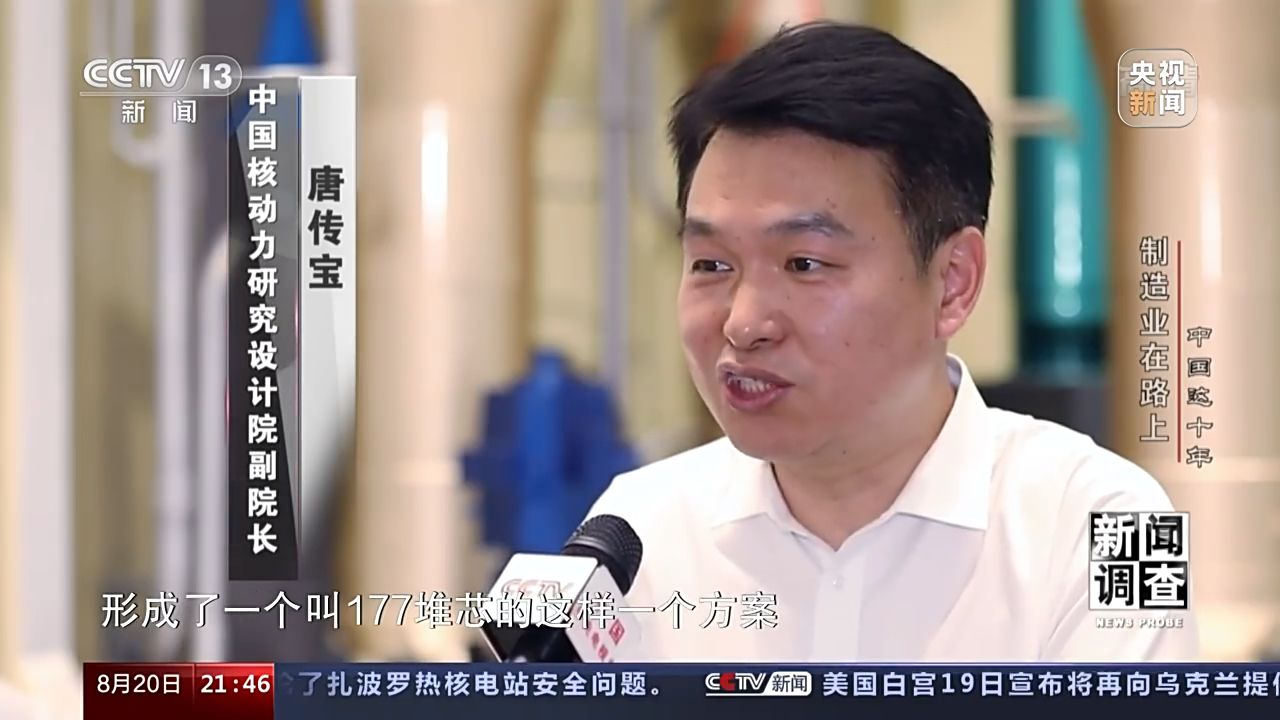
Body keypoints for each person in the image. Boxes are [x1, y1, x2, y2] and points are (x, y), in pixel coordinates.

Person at [585, 21, 1198, 662]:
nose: (743, 323)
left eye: (804, 263)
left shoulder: (1117, 526)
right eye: (712, 264)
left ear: (953, 282)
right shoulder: (633, 530)